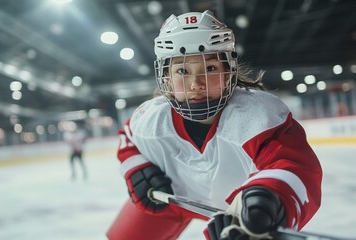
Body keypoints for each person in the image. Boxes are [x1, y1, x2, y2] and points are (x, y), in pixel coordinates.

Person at [107, 10, 322, 240]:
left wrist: (268, 200)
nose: (196, 84)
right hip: (170, 197)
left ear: (228, 71)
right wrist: (138, 170)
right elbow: (128, 138)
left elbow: (294, 166)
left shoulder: (257, 116)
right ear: (166, 78)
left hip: (237, 212)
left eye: (209, 68)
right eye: (182, 71)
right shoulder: (151, 118)